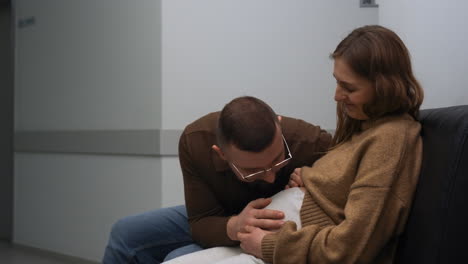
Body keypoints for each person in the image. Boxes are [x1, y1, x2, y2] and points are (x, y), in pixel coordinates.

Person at [163, 25, 424, 264]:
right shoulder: (367, 128)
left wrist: (269, 245)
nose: (336, 96)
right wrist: (314, 175)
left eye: (349, 87)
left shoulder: (391, 139)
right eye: (336, 82)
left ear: (384, 86)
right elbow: (346, 183)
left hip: (280, 242)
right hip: (263, 231)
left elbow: (353, 245)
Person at [102, 96, 332, 263]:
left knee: (178, 258)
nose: (271, 177)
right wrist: (234, 226)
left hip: (274, 222)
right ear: (220, 153)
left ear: (279, 127)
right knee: (125, 232)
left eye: (278, 161)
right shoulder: (195, 143)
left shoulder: (310, 140)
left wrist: (316, 175)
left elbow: (353, 170)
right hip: (222, 215)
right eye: (253, 171)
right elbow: (200, 221)